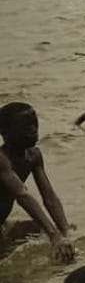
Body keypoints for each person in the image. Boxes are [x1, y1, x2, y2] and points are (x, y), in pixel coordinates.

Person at [0, 102, 74, 261]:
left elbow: (50, 197)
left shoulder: (33, 156)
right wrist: (54, 236)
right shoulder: (2, 159)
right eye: (25, 126)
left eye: (35, 124)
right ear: (5, 132)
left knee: (42, 229)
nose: (33, 130)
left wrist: (65, 231)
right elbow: (22, 195)